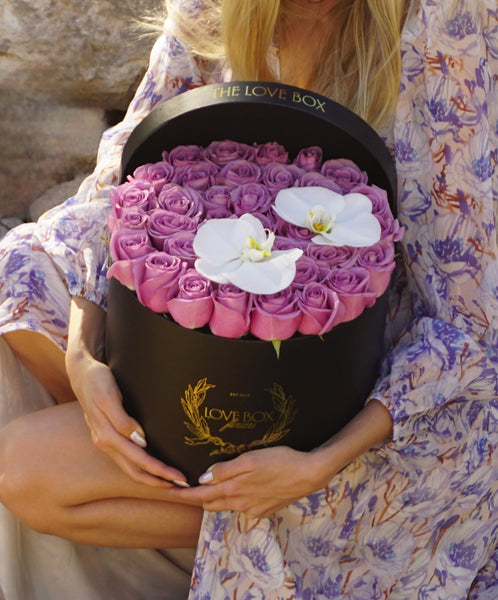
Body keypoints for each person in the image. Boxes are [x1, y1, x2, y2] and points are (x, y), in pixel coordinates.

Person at [0, 0, 496, 598]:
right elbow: (118, 192)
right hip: (193, 347)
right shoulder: (215, 11)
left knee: (25, 469)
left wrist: (319, 465)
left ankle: (299, 535)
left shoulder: (448, 24)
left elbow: (469, 318)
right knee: (22, 271)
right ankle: (222, 492)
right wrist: (83, 360)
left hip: (357, 383)